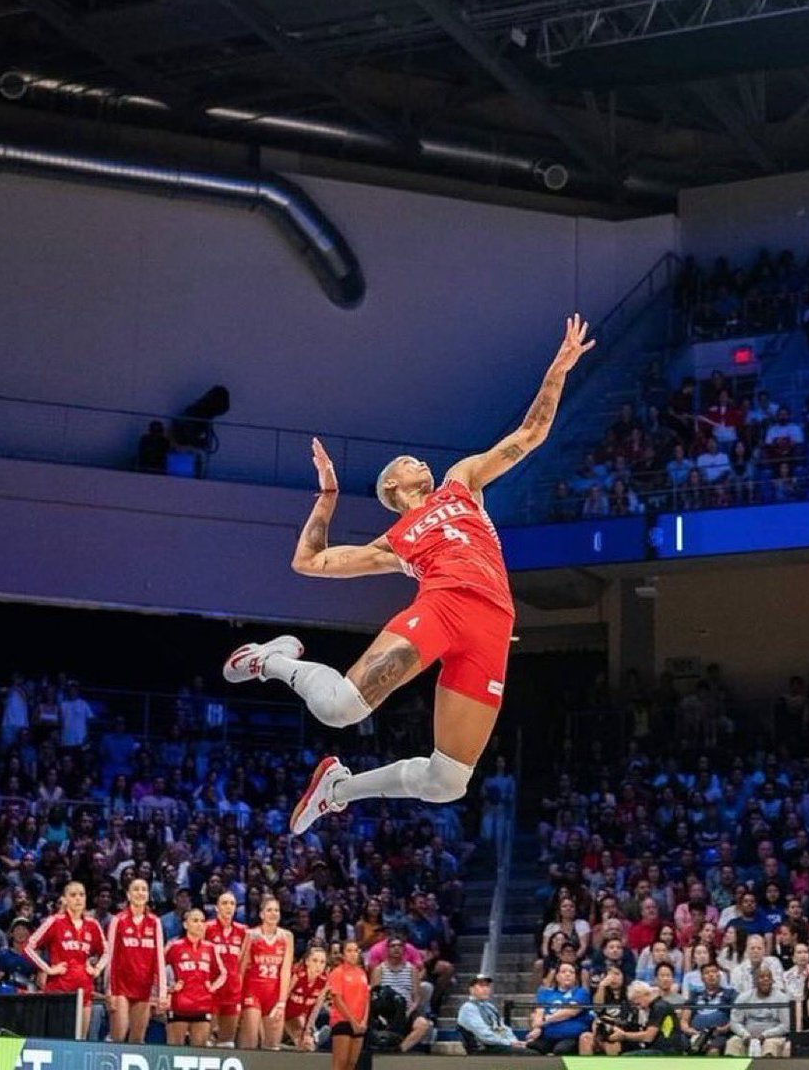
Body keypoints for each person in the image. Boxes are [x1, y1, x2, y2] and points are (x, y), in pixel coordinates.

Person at [223, 316, 595, 830]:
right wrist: (328, 497)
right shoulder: (395, 540)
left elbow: (529, 435)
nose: (416, 460)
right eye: (405, 461)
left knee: (449, 782)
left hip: (493, 625)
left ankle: (339, 789)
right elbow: (310, 561)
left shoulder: (461, 482)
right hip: (444, 608)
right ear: (391, 489)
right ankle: (272, 660)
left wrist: (558, 370)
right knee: (339, 708)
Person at [25, 881, 106, 1037]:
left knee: (80, 1040)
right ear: (65, 899)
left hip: (84, 990)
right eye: (73, 895)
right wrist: (48, 969)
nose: (78, 898)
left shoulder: (93, 924)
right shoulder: (54, 922)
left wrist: (97, 969)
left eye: (81, 894)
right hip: (59, 990)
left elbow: (106, 951)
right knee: (59, 1038)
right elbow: (29, 947)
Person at [105, 877, 168, 1043]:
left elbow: (159, 959)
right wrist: (109, 990)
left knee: (137, 1041)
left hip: (144, 988)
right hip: (121, 987)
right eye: (136, 889)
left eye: (144, 889)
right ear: (128, 894)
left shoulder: (155, 922)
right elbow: (111, 957)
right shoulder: (118, 920)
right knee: (118, 1037)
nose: (140, 893)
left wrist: (162, 993)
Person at [237, 895, 293, 1051]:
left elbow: (286, 970)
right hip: (252, 992)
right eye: (269, 910)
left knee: (272, 1045)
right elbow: (241, 969)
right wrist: (236, 998)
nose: (273, 913)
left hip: (273, 994)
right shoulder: (251, 935)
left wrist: (282, 1002)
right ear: (261, 914)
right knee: (250, 1042)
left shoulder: (287, 936)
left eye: (276, 910)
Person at [164, 907, 226, 1048]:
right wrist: (168, 988)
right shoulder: (174, 946)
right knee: (174, 1051)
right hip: (179, 1005)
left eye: (202, 921)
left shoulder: (211, 948)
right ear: (186, 924)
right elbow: (157, 969)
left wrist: (212, 987)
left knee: (199, 1052)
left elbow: (223, 973)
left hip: (202, 1005)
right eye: (195, 920)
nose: (199, 924)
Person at [317, 937, 369, 1070]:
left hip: (359, 1022)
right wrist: (353, 1022)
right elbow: (337, 999)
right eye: (349, 951)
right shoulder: (337, 972)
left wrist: (364, 1021)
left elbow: (366, 998)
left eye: (355, 950)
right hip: (342, 1021)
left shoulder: (362, 973)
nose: (353, 954)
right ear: (343, 954)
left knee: (351, 1064)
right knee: (340, 1064)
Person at [206, 890, 246, 1047]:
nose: (228, 907)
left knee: (227, 1043)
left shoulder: (243, 931)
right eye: (224, 903)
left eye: (232, 904)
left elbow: (245, 962)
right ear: (217, 907)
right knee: (207, 1040)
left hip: (233, 992)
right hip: (211, 991)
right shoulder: (207, 928)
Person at [725, 964, 791, 1058]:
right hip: (747, 1035)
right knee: (733, 1043)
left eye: (768, 977)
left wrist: (765, 1035)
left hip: (773, 1037)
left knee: (770, 1045)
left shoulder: (782, 998)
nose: (766, 979)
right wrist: (744, 1034)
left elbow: (786, 1025)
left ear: (772, 981)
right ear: (755, 981)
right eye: (762, 977)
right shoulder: (744, 997)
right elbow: (735, 1022)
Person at [525, 961, 590, 1054]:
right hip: (547, 1036)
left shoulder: (581, 993)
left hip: (571, 1036)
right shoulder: (545, 993)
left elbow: (570, 1012)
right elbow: (539, 1012)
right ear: (557, 976)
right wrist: (537, 1028)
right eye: (563, 972)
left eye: (571, 972)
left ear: (575, 977)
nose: (568, 974)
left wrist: (546, 1020)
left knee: (561, 1050)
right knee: (531, 1047)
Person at [458, 973, 529, 1053]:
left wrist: (514, 1041)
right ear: (471, 989)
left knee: (531, 1050)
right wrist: (509, 1043)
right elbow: (484, 1035)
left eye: (487, 986)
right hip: (482, 1050)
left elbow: (501, 1028)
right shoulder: (468, 1008)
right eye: (481, 986)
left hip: (497, 1046)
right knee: (527, 1053)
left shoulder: (490, 1007)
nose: (485, 989)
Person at [284, 944, 329, 1050]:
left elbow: (315, 1009)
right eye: (315, 961)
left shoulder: (324, 982)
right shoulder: (297, 976)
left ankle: (314, 1039)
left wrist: (308, 1029)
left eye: (322, 962)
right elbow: (282, 998)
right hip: (280, 1013)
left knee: (306, 1043)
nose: (318, 965)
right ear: (307, 962)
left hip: (296, 1016)